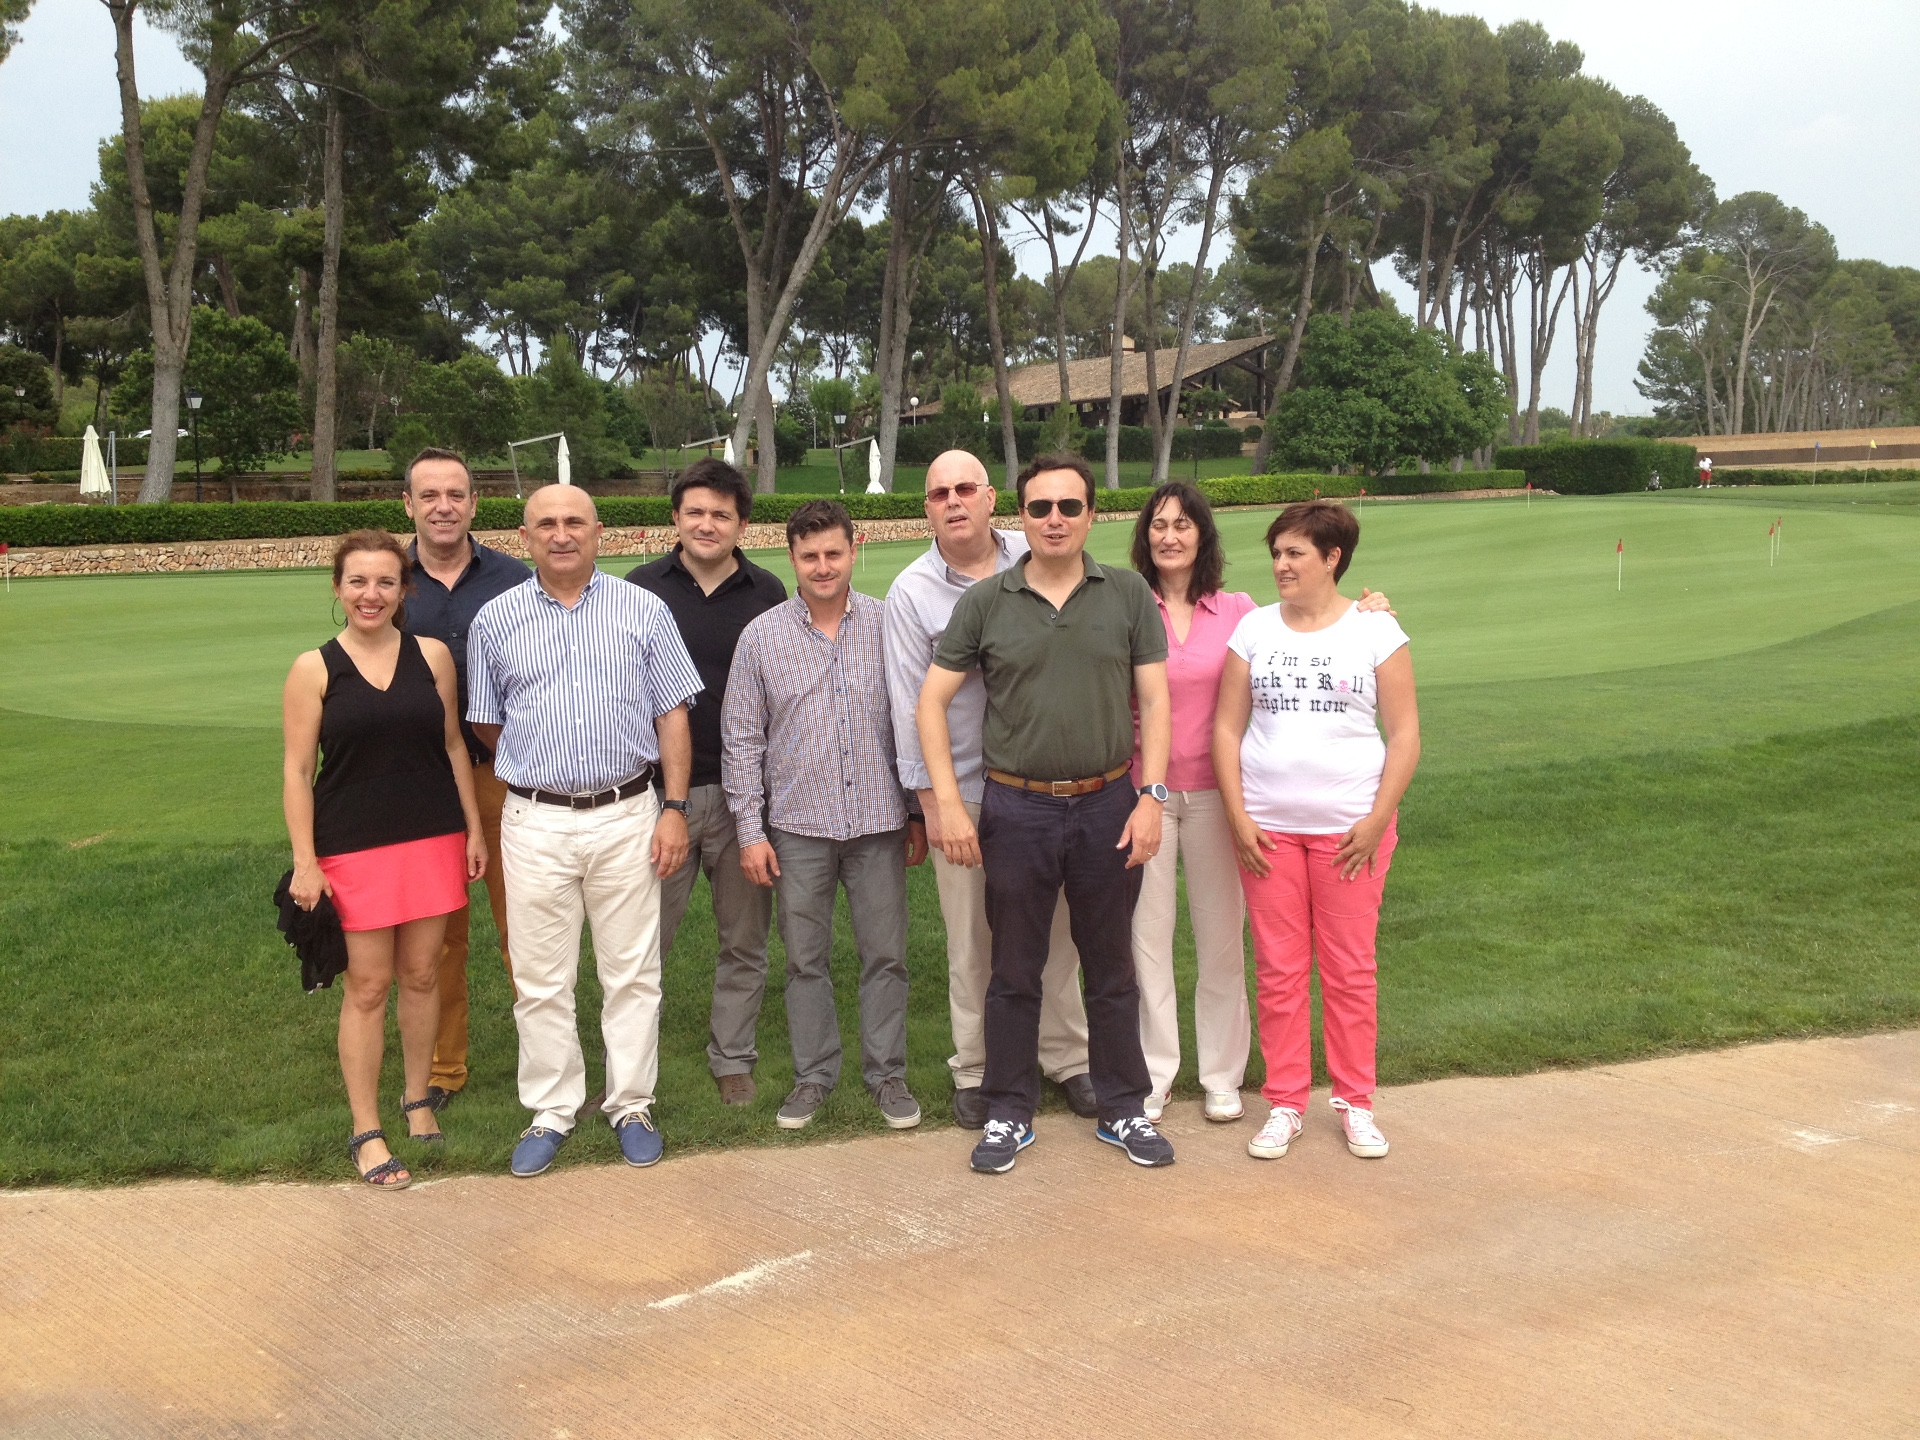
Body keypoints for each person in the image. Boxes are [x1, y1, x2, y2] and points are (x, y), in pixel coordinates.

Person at [918, 454, 1175, 1175]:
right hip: (1016, 808)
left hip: (1108, 805)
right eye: (1040, 508)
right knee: (1014, 969)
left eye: (1068, 506)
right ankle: (1007, 1110)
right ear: (1019, 517)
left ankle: (1125, 1106)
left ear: (1092, 514)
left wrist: (1151, 796)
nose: (1054, 519)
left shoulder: (1126, 595)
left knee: (1110, 965)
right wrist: (948, 803)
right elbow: (931, 703)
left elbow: (1155, 700)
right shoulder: (986, 602)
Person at [1127, 484, 1397, 1124]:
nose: (1170, 536)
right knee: (1148, 941)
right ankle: (1155, 1074)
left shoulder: (1241, 611)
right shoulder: (1126, 604)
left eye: (1183, 525)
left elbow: (1308, 632)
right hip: (1146, 792)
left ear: (1203, 537)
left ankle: (1221, 1075)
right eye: (1159, 525)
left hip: (1225, 799)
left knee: (1222, 941)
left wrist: (1372, 607)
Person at [465, 484, 702, 1178]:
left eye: (574, 522)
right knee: (540, 978)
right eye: (547, 524)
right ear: (525, 536)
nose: (561, 534)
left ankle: (630, 1103)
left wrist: (675, 808)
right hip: (534, 818)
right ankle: (552, 1108)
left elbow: (673, 717)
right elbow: (487, 721)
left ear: (600, 533)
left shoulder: (644, 610)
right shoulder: (495, 620)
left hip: (629, 812)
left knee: (632, 971)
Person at [884, 449, 1097, 1129]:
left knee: (1057, 933)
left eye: (965, 488)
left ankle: (1065, 1057)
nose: (952, 500)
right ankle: (976, 1068)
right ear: (927, 508)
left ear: (990, 498)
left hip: (1042, 785)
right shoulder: (912, 592)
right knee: (972, 940)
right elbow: (907, 705)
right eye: (938, 491)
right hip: (965, 791)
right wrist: (933, 805)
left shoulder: (1034, 553)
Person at [1212, 501, 1420, 1163]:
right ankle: (1285, 1103)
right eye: (1276, 553)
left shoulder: (1376, 632)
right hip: (1267, 831)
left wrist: (1377, 818)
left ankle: (1356, 1102)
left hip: (1350, 833)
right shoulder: (1254, 631)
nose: (1280, 565)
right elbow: (1225, 727)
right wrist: (1239, 816)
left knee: (1350, 970)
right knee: (1278, 971)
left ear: (1333, 559)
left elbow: (1406, 733)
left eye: (1295, 553)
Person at [282, 530, 487, 1190]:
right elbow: (296, 769)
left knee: (424, 974)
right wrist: (305, 861)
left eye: (385, 583)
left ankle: (417, 1099)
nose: (371, 595)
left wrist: (474, 831)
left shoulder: (432, 657)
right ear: (338, 589)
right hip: (353, 848)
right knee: (368, 987)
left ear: (406, 590)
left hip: (432, 838)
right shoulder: (313, 668)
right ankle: (366, 1130)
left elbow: (455, 747)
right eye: (358, 582)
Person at [723, 499, 923, 1132]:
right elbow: (742, 738)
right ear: (792, 559)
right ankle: (815, 1074)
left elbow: (913, 725)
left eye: (833, 553)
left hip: (878, 824)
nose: (822, 566)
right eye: (809, 556)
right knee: (804, 958)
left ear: (853, 549)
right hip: (798, 826)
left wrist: (917, 813)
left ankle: (886, 1072)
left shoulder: (888, 624)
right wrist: (750, 832)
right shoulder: (762, 635)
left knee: (884, 954)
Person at [627, 459, 788, 1107]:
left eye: (721, 514)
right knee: (643, 944)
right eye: (695, 511)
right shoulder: (639, 590)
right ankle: (632, 1067)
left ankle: (733, 1056)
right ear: (675, 518)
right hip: (658, 796)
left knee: (744, 940)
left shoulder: (768, 591)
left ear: (741, 523)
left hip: (745, 796)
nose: (707, 524)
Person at [398, 446, 532, 1112]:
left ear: (475, 504)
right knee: (440, 938)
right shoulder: (387, 582)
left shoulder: (514, 578)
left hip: (503, 775)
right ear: (409, 505)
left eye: (456, 494)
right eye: (430, 495)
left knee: (524, 929)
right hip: (421, 786)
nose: (444, 506)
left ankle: (546, 1064)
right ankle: (445, 1067)